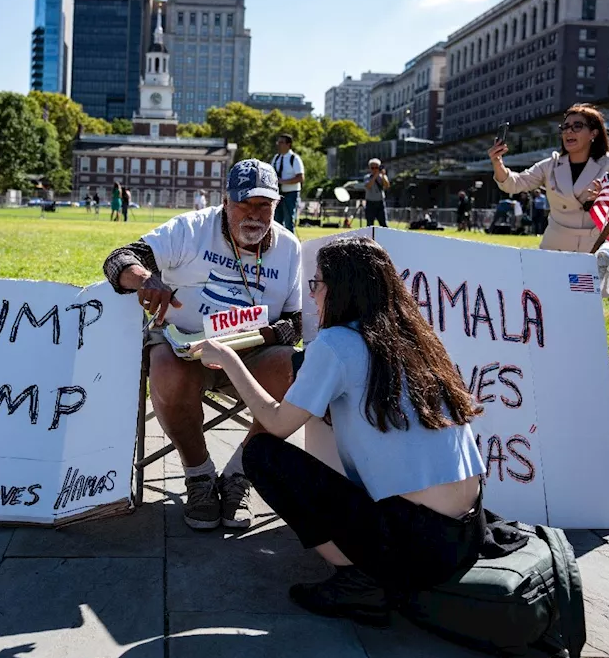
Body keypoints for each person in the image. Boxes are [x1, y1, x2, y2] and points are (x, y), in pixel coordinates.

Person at [192, 236, 485, 623]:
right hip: (470, 533)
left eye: (316, 284)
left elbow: (278, 424)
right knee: (328, 422)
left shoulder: (336, 342)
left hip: (417, 549)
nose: (312, 296)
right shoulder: (417, 336)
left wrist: (229, 359)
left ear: (339, 287)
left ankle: (360, 582)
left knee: (262, 455)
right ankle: (370, 560)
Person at [103, 159, 304, 531]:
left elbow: (296, 321)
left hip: (250, 354)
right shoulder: (191, 228)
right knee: (164, 369)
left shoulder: (289, 248)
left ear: (277, 205)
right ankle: (199, 475)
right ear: (225, 201)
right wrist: (147, 279)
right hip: (183, 346)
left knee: (294, 369)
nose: (254, 215)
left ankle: (239, 474)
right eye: (244, 204)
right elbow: (119, 260)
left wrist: (267, 335)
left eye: (265, 206)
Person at [488, 103, 609, 252]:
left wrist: (607, 197)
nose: (569, 131)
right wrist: (497, 163)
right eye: (565, 127)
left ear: (593, 133)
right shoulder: (549, 165)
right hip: (555, 247)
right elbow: (513, 184)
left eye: (577, 126)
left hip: (595, 248)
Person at [270, 134, 305, 233]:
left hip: (291, 193)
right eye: (278, 142)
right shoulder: (276, 158)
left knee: (289, 221)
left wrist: (283, 181)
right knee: (276, 221)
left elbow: (300, 177)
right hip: (277, 194)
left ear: (288, 144)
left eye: (281, 142)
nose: (278, 145)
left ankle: (291, 245)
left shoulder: (294, 158)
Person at [363, 159, 390, 228]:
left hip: (380, 203)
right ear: (370, 168)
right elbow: (368, 186)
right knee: (369, 224)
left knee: (384, 224)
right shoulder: (367, 177)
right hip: (370, 203)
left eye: (376, 167)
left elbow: (387, 186)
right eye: (372, 168)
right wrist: (375, 176)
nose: (375, 170)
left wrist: (383, 175)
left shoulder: (382, 177)